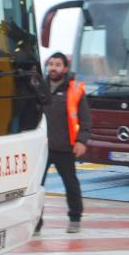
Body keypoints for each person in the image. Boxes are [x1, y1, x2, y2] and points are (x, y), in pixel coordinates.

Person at [37, 52, 90, 235]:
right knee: (37, 188)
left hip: (65, 148)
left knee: (71, 185)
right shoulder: (39, 88)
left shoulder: (74, 90)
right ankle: (35, 222)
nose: (53, 68)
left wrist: (81, 141)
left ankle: (75, 219)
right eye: (51, 64)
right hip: (42, 148)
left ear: (65, 69)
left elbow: (85, 119)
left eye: (58, 64)